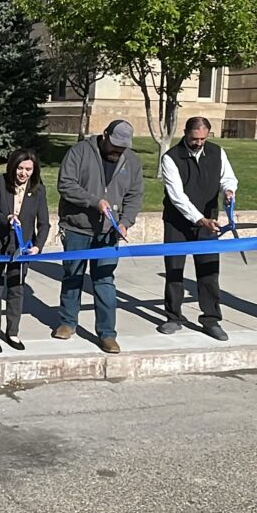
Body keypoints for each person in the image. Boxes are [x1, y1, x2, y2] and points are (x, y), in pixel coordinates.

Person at [55, 120, 144, 353]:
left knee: (104, 280)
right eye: (115, 145)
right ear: (105, 135)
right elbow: (65, 184)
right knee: (72, 274)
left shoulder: (132, 161)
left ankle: (107, 333)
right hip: (77, 227)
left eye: (122, 147)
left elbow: (134, 196)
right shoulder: (79, 152)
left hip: (109, 232)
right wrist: (94, 201)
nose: (117, 151)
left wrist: (125, 223)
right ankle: (67, 322)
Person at [157, 116, 239, 341]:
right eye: (195, 138)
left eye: (203, 138)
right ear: (185, 133)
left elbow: (228, 178)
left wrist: (229, 191)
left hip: (208, 223)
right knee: (174, 271)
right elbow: (177, 197)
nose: (199, 143)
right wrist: (199, 219)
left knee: (209, 272)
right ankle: (173, 317)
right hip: (177, 223)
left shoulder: (217, 152)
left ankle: (211, 319)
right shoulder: (171, 158)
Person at [0, 148, 50, 352]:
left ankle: (13, 332)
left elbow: (44, 224)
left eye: (28, 169)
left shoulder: (38, 190)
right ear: (13, 167)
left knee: (16, 289)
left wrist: (37, 246)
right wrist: (7, 218)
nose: (23, 173)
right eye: (20, 168)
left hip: (21, 247)